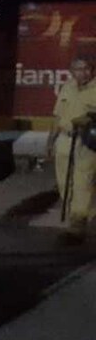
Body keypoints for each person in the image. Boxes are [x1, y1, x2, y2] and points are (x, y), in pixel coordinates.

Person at [47, 56, 96, 245]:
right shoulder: (67, 87)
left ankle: (78, 225)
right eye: (77, 69)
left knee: (82, 182)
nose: (82, 73)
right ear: (71, 71)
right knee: (63, 182)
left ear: (92, 70)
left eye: (86, 69)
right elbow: (58, 116)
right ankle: (74, 217)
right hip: (65, 140)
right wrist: (50, 141)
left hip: (87, 142)